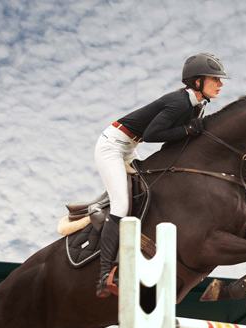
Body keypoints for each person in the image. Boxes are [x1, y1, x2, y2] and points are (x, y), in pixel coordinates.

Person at [94, 53, 229, 297]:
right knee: (122, 204)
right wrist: (188, 129)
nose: (220, 84)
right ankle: (104, 274)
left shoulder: (196, 106)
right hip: (112, 145)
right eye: (215, 79)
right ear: (197, 81)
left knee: (151, 189)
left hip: (129, 148)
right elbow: (152, 134)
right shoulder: (179, 102)